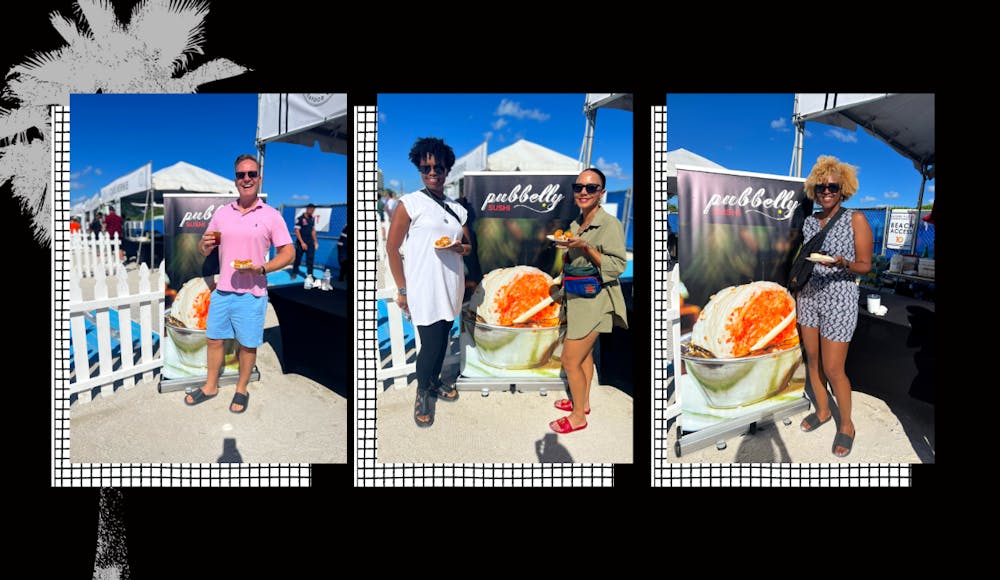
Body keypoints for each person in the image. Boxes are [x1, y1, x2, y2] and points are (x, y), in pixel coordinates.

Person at [184, 154, 295, 413]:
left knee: (247, 344)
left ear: (259, 178)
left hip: (253, 293)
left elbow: (289, 253)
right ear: (235, 179)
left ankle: (241, 388)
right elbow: (204, 247)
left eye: (251, 174)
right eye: (241, 175)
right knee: (213, 340)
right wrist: (204, 246)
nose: (246, 179)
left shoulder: (271, 215)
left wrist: (263, 267)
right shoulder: (223, 214)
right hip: (223, 290)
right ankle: (211, 386)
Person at [386, 137, 471, 428]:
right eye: (426, 168)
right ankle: (424, 393)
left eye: (438, 168)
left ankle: (434, 382)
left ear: (448, 170)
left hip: (451, 284)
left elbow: (468, 245)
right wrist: (402, 288)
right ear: (419, 168)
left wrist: (460, 248)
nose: (432, 172)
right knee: (431, 345)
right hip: (424, 287)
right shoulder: (410, 204)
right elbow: (392, 248)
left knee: (444, 339)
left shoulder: (457, 209)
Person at [796, 155, 872, 458]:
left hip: (839, 297)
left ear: (843, 189)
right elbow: (805, 261)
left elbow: (866, 265)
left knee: (833, 368)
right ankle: (824, 411)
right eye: (821, 187)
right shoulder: (809, 222)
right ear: (814, 190)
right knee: (812, 360)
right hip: (809, 296)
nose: (826, 191)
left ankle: (847, 425)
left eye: (832, 187)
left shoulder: (856, 219)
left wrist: (843, 263)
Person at [550, 167, 628, 434]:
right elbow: (575, 260)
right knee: (583, 359)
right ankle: (582, 403)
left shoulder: (610, 225)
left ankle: (578, 418)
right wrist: (567, 253)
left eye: (591, 188)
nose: (583, 192)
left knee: (570, 360)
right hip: (576, 298)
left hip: (597, 301)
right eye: (579, 187)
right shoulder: (575, 224)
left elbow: (617, 266)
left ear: (601, 193)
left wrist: (585, 246)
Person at [292, 203, 319, 278]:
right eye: (311, 210)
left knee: (310, 259)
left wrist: (315, 241)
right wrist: (302, 243)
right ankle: (294, 272)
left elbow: (313, 231)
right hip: (301, 243)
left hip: (310, 242)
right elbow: (297, 230)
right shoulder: (300, 218)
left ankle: (310, 274)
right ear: (307, 209)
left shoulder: (312, 218)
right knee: (298, 258)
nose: (312, 212)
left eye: (314, 210)